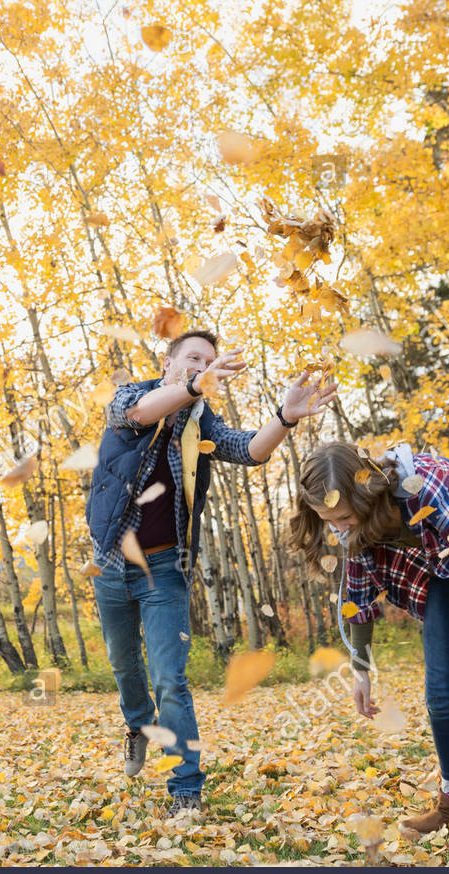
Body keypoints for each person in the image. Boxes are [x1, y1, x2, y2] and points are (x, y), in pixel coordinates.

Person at [86, 329, 337, 816]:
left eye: (210, 362)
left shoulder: (200, 423)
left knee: (170, 679)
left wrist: (285, 417)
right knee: (123, 664)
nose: (202, 366)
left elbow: (250, 450)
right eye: (193, 359)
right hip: (110, 563)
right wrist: (197, 387)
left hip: (163, 567)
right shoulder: (130, 398)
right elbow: (140, 415)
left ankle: (185, 789)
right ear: (169, 362)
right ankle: (137, 725)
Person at [289, 440, 449, 865]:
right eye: (328, 520)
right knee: (440, 690)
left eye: (342, 517)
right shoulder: (351, 523)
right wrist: (361, 671)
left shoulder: (427, 483)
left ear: (366, 492)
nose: (338, 528)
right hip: (446, 567)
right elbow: (357, 594)